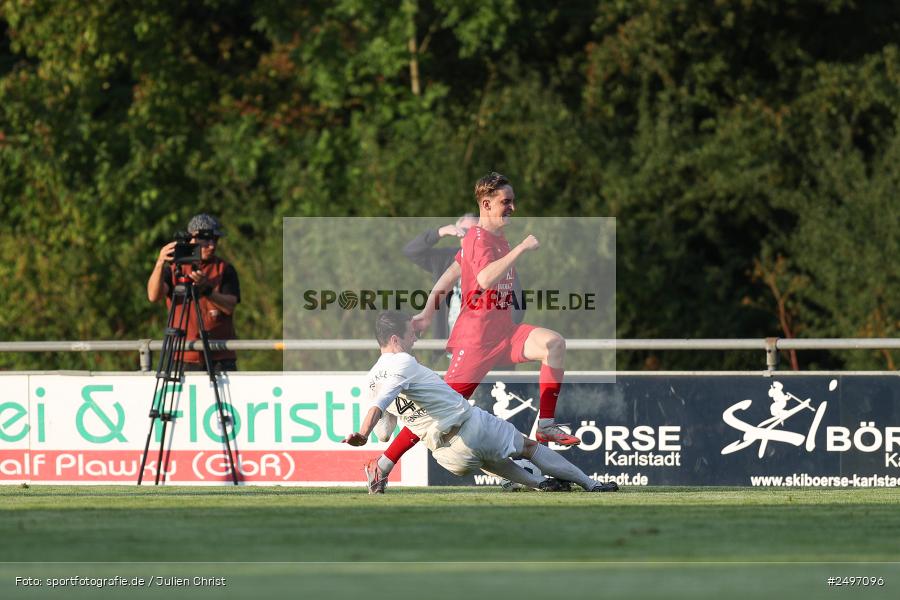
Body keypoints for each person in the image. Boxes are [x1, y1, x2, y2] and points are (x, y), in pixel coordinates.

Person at [364, 172, 582, 492]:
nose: (513, 207)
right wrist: (521, 249)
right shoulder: (478, 238)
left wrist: (426, 313)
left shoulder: (494, 239)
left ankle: (546, 425)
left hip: (504, 332)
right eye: (506, 202)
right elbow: (482, 280)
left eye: (512, 201)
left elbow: (452, 273)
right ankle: (383, 464)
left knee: (554, 343)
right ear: (486, 204)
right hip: (476, 341)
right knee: (444, 410)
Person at [342, 311, 618, 494]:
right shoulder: (403, 361)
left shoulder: (370, 379)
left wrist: (372, 432)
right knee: (529, 448)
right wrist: (363, 433)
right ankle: (592, 484)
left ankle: (542, 483)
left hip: (447, 457)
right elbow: (383, 401)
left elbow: (385, 430)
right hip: (470, 428)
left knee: (502, 465)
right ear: (394, 339)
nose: (415, 336)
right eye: (410, 332)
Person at [403, 214, 524, 339]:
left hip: (485, 341)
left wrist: (503, 333)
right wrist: (440, 232)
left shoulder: (496, 261)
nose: (468, 236)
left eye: (474, 231)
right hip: (448, 344)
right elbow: (411, 251)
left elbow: (517, 299)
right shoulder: (447, 259)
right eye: (463, 231)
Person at [147, 213, 240, 372]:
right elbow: (153, 296)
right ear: (191, 239)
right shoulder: (175, 269)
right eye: (206, 240)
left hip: (219, 358)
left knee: (222, 399)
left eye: (215, 240)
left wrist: (207, 289)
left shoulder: (224, 269)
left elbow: (229, 307)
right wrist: (160, 263)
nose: (212, 245)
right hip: (182, 357)